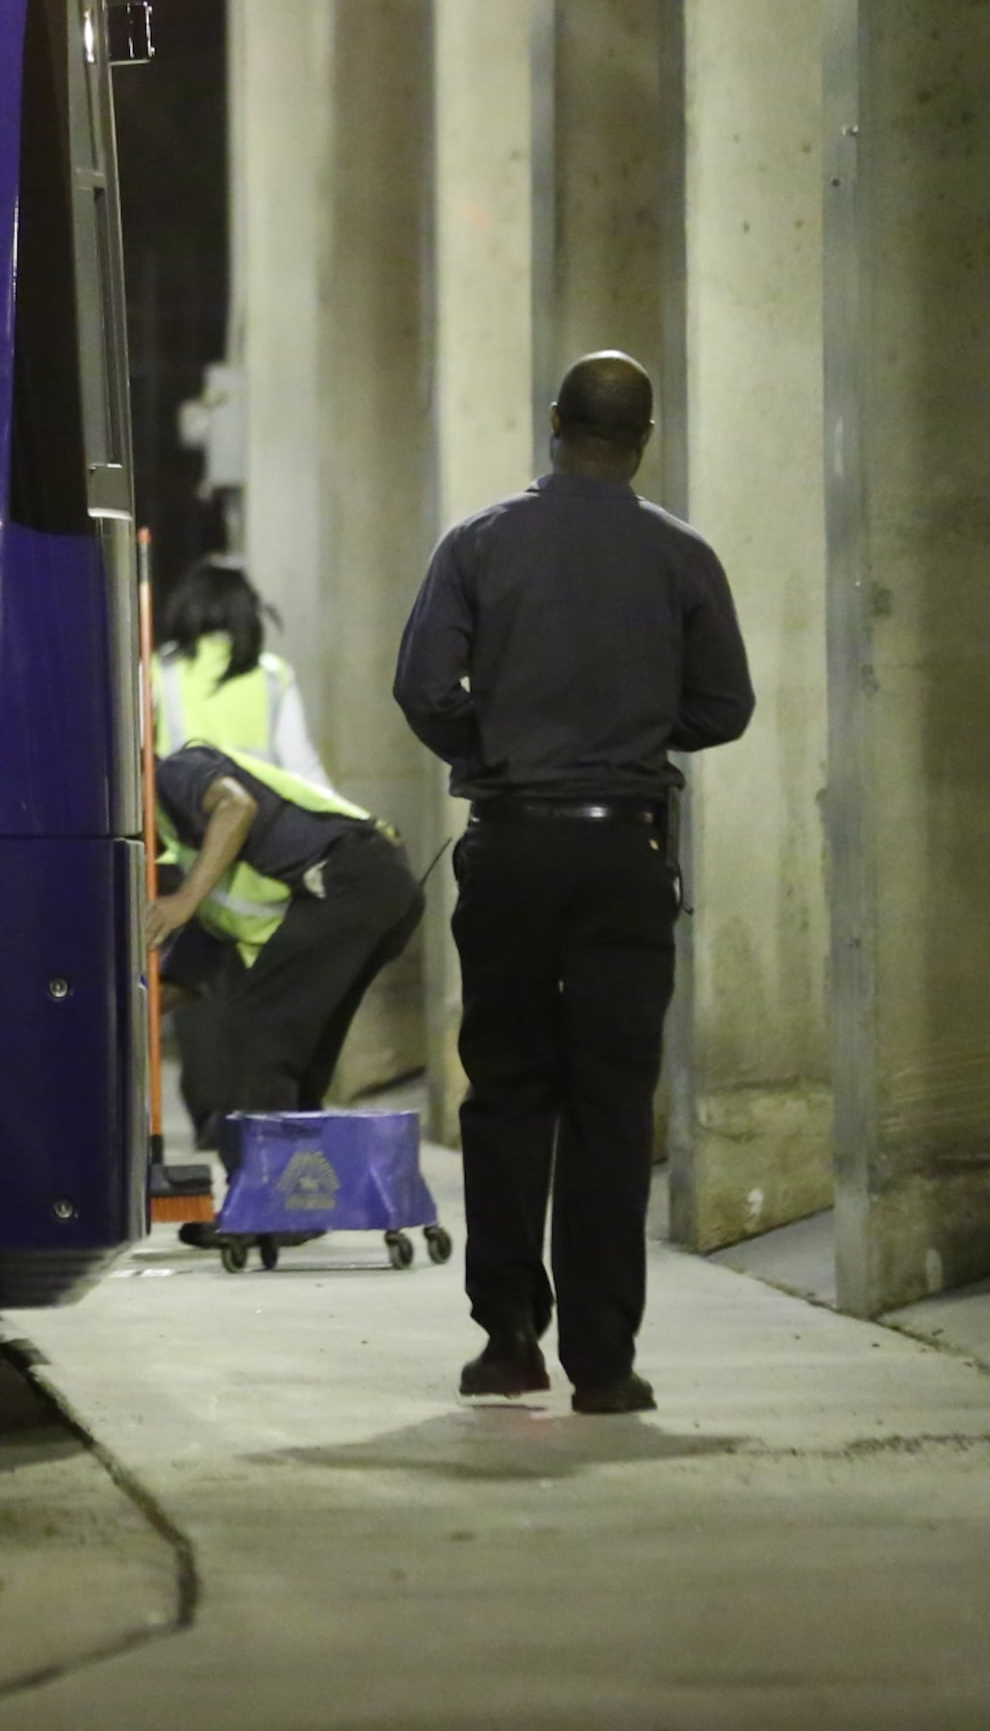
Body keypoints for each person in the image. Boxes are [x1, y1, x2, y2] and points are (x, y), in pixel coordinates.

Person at [391, 350, 753, 1416]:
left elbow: (421, 685)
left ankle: (509, 1340)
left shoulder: (480, 543)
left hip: (512, 843)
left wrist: (494, 742)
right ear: (644, 438)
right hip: (622, 849)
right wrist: (636, 731)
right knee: (610, 1099)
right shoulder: (681, 555)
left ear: (555, 424)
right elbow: (724, 707)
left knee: (508, 1089)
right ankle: (605, 1361)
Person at [146, 738, 424, 1143]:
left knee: (255, 1038)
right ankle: (301, 1189)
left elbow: (236, 807)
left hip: (352, 875)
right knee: (296, 1057)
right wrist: (130, 1013)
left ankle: (266, 1193)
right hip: (377, 890)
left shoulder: (175, 773)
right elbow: (191, 971)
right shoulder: (192, 859)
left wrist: (182, 902)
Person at [154, 561, 331, 786]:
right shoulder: (274, 676)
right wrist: (350, 819)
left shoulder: (159, 670)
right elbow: (303, 768)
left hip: (178, 813)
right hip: (259, 814)